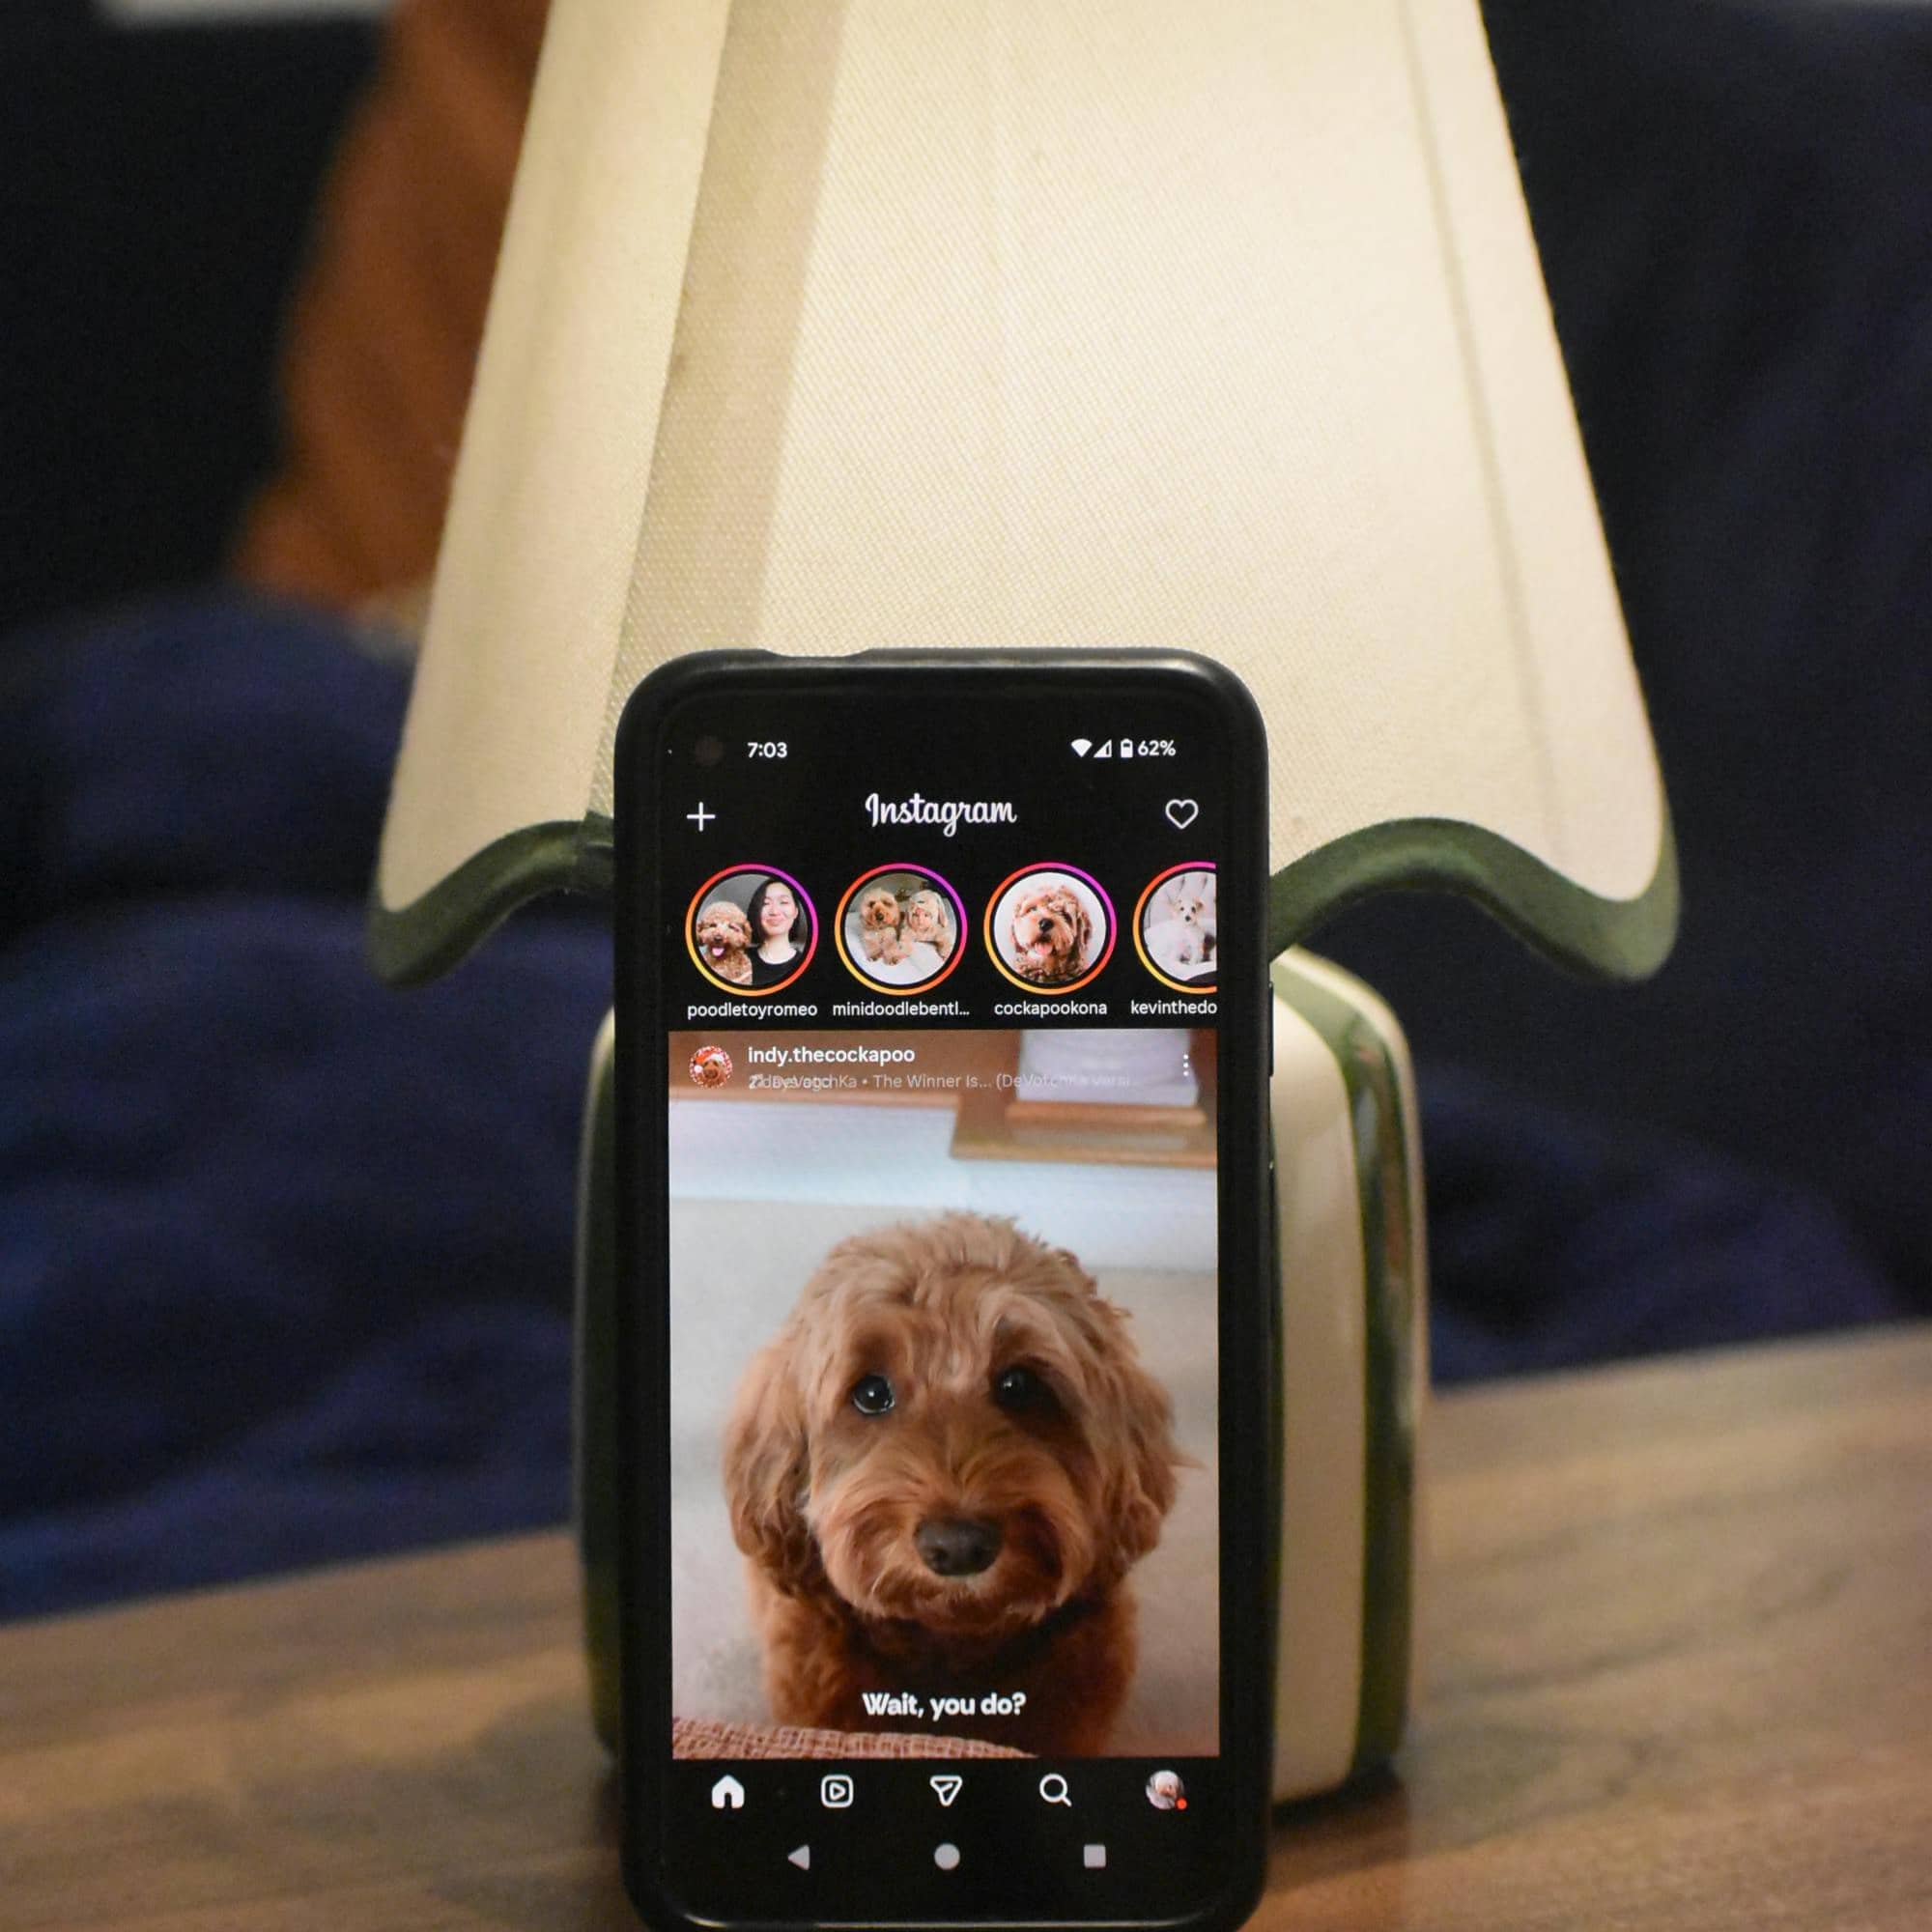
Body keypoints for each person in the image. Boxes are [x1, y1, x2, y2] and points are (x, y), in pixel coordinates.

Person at [745, 878, 809, 986]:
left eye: (783, 902)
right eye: (766, 903)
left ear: (795, 912)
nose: (774, 911)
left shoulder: (805, 963)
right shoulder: (738, 959)